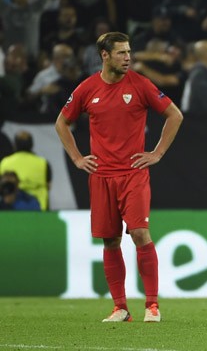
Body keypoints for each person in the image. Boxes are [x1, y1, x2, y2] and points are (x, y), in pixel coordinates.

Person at [54, 32, 183, 323]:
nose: (128, 58)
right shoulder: (87, 89)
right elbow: (62, 122)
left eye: (129, 52)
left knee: (139, 233)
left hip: (133, 173)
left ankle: (152, 305)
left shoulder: (140, 84)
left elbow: (174, 115)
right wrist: (76, 157)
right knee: (110, 241)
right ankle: (120, 308)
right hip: (101, 176)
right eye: (122, 53)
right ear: (105, 55)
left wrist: (157, 153)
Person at [0, 130, 51, 211]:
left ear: (15, 145)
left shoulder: (4, 163)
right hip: (39, 210)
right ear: (32, 145)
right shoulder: (43, 163)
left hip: (9, 211)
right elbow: (48, 186)